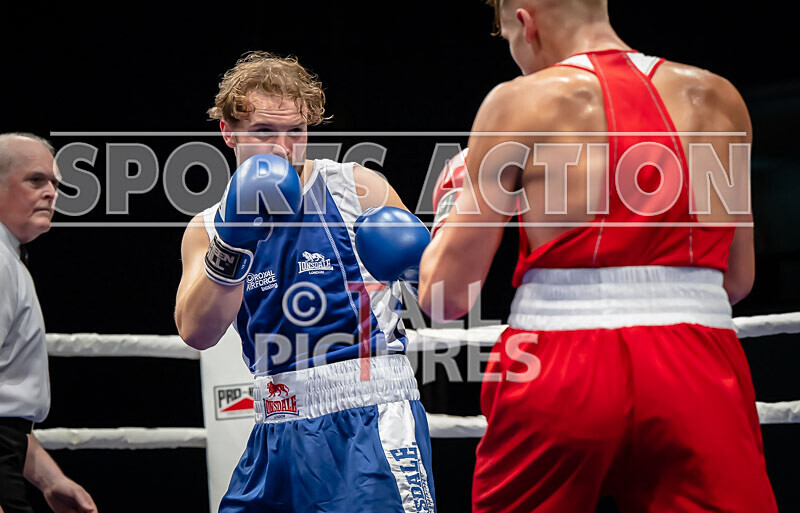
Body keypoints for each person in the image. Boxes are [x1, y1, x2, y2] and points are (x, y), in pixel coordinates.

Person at [418, 1, 777, 512]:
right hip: (698, 362)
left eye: (508, 40)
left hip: (560, 363)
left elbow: (446, 296)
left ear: (526, 23)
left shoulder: (518, 102)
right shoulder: (718, 97)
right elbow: (738, 280)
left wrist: (452, 203)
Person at [174, 52, 435, 512]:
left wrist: (416, 263)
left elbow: (439, 294)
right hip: (276, 420)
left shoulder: (357, 189)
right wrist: (233, 243)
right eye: (264, 133)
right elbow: (197, 331)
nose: (283, 147)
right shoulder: (209, 226)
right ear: (228, 132)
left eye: (296, 130)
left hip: (369, 414)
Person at [0, 133, 98, 513]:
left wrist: (51, 480)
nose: (51, 193)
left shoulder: (11, 258)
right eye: (36, 180)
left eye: (55, 184)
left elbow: (7, 414)